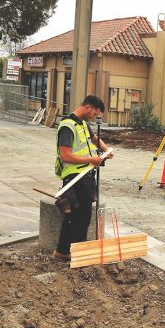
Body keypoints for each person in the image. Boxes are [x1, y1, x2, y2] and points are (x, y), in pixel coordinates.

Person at [53, 95, 114, 260]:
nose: (95, 116)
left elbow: (95, 140)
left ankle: (63, 252)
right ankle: (77, 255)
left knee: (74, 216)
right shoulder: (67, 126)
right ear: (88, 108)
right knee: (81, 217)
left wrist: (106, 150)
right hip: (74, 177)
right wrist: (91, 159)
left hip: (85, 175)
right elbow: (65, 156)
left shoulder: (84, 125)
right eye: (95, 113)